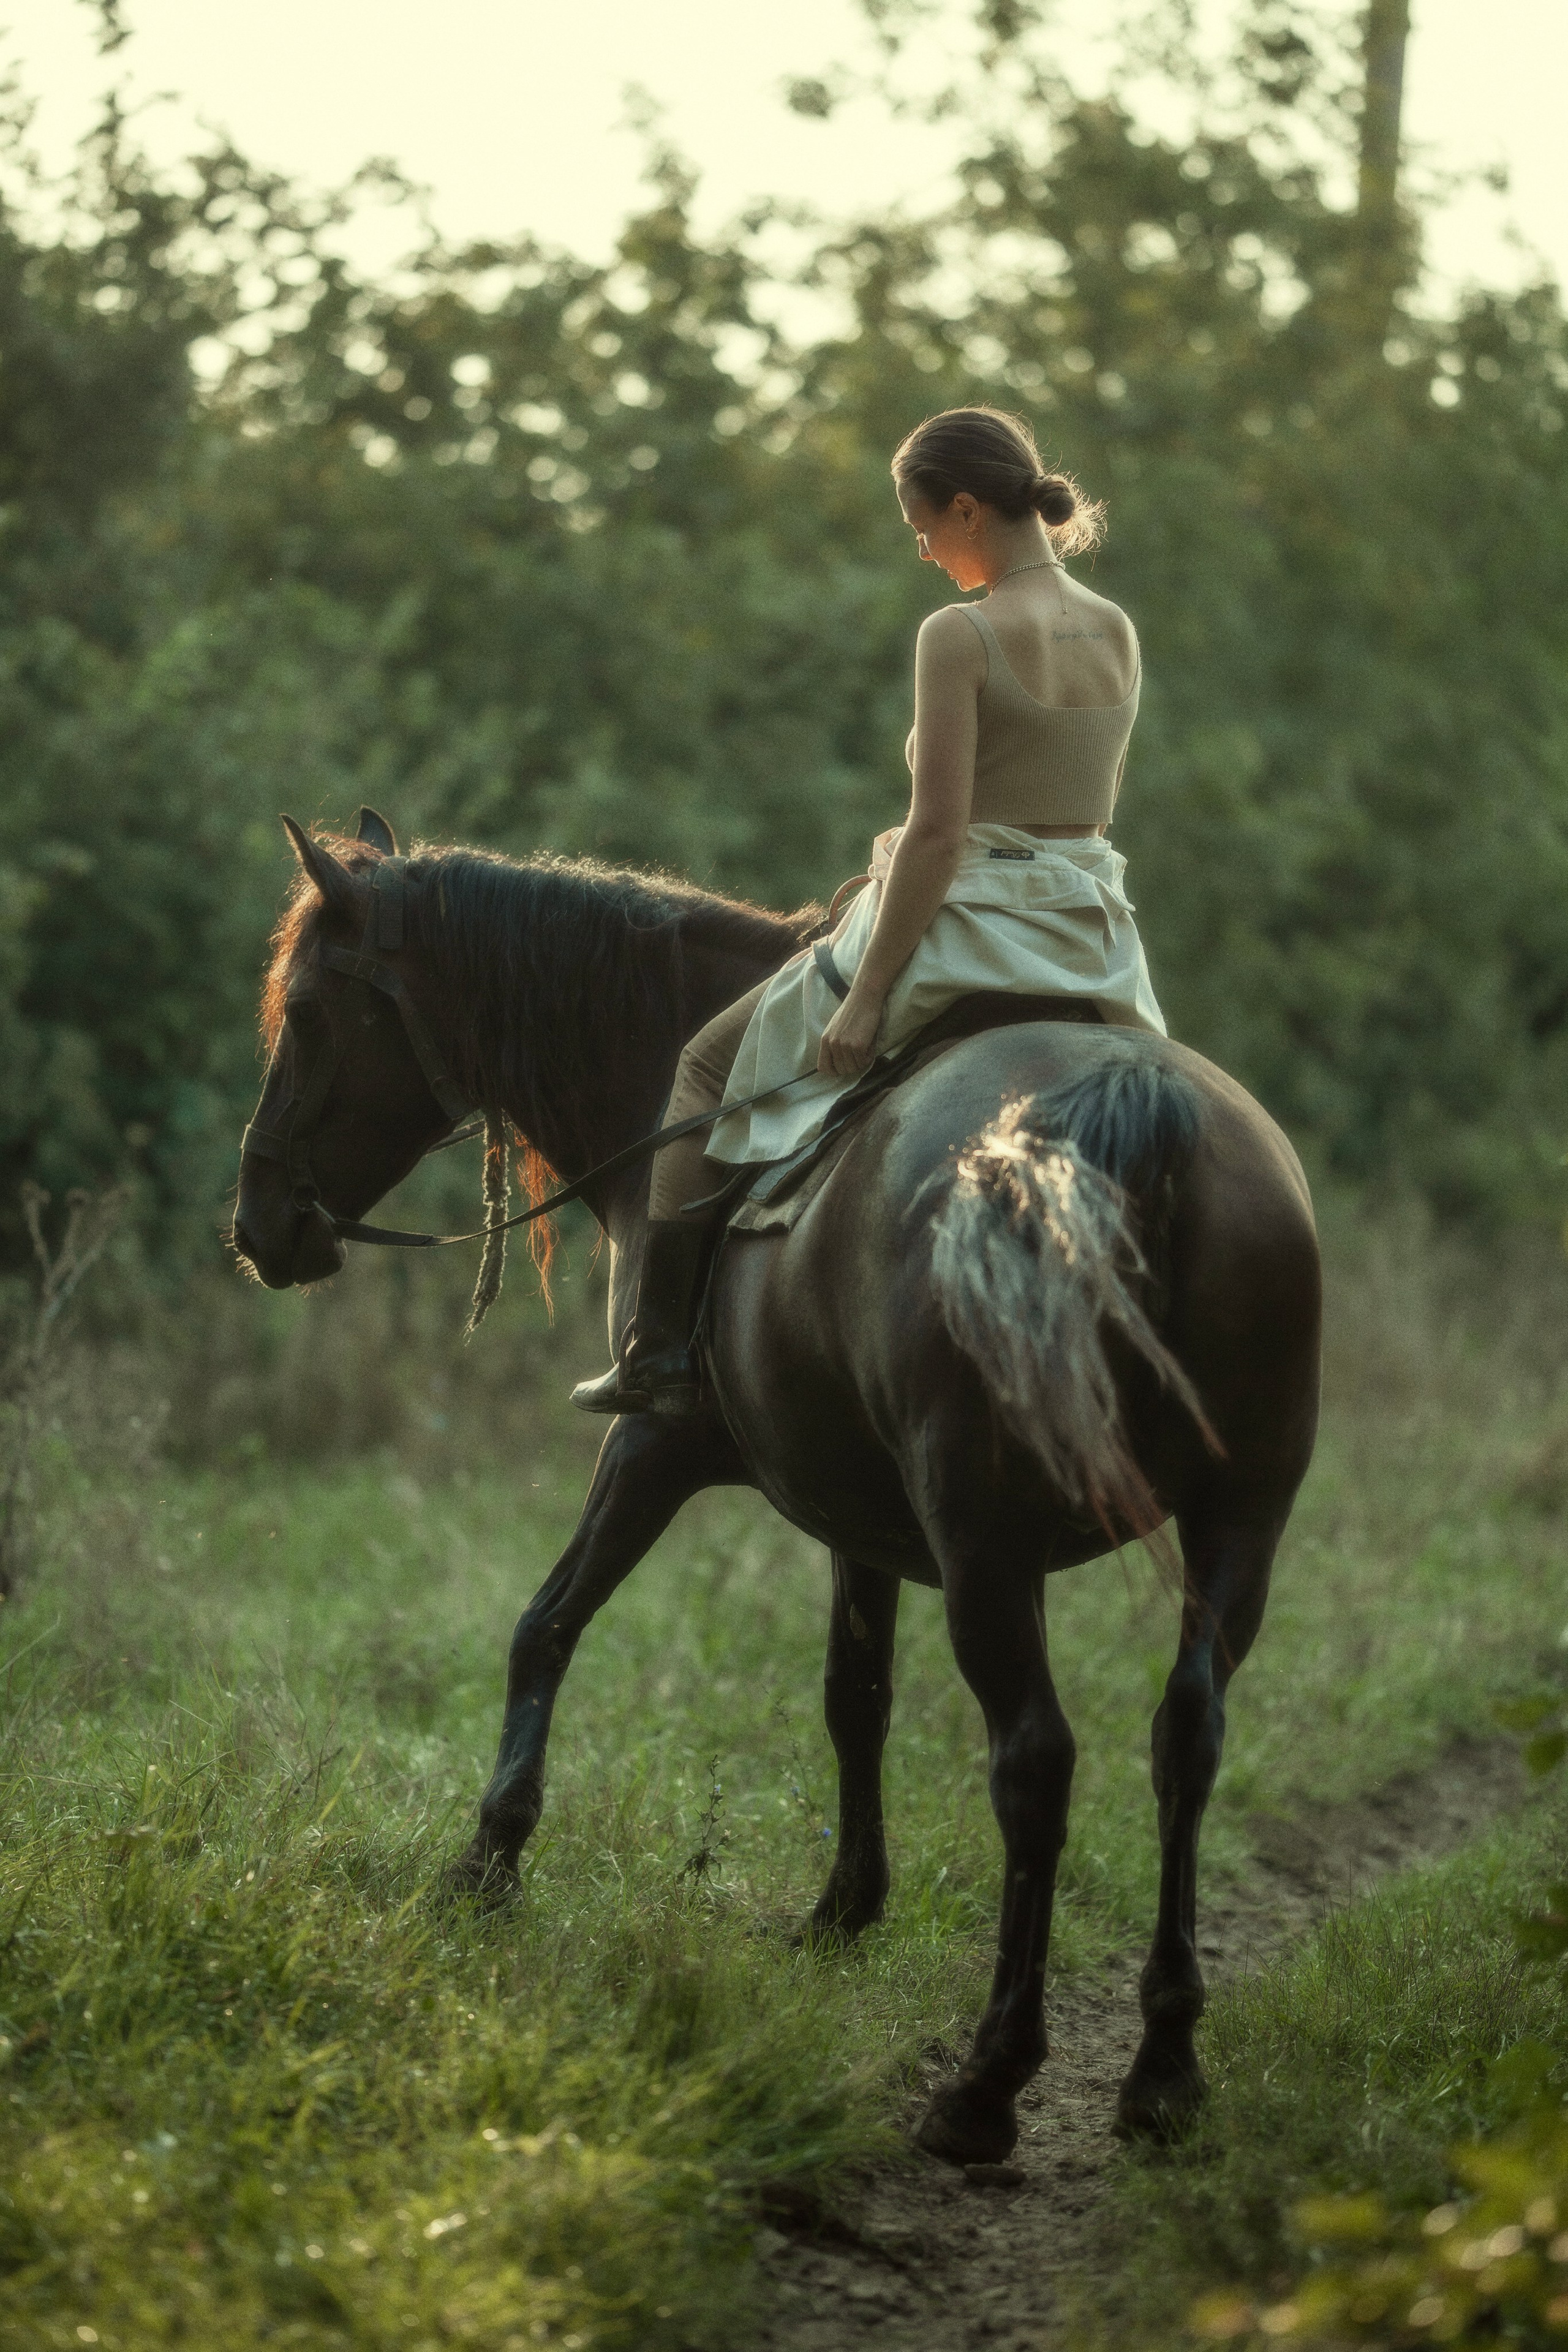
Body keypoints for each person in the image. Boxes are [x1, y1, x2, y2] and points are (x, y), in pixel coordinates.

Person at [571, 404, 1167, 1418]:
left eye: (925, 530)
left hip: (972, 920)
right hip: (1091, 936)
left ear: (969, 509)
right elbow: (1068, 813)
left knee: (706, 1067)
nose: (927, 556)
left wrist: (868, 997)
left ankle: (658, 1354)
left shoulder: (962, 634)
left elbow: (940, 836)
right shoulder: (1115, 627)